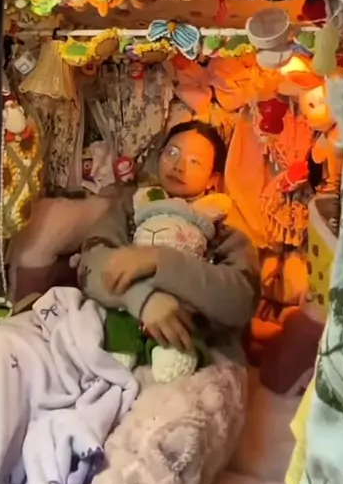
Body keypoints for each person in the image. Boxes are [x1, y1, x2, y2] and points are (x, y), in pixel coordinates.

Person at [77, 121, 260, 360]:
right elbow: (90, 264)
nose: (179, 166)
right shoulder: (131, 208)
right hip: (116, 342)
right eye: (172, 153)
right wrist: (144, 300)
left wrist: (158, 260)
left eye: (195, 161)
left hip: (193, 353)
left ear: (213, 180)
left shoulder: (224, 233)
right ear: (158, 158)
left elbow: (241, 300)